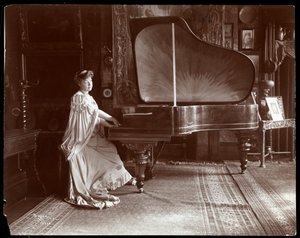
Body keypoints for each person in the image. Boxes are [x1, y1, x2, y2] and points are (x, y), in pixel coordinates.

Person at [61, 70, 135, 209]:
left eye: (91, 81)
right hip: (82, 138)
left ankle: (109, 180)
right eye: (86, 81)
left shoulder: (88, 97)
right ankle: (95, 185)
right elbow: (93, 117)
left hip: (91, 136)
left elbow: (94, 117)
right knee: (105, 151)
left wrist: (110, 121)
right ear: (79, 83)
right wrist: (109, 119)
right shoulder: (78, 97)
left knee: (111, 149)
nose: (89, 84)